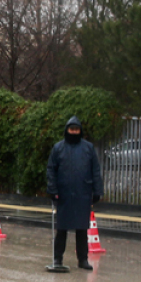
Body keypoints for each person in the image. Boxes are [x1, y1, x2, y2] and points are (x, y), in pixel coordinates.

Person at [45, 116, 102, 272]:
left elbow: (95, 170)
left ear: (80, 131)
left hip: (83, 193)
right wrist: (53, 189)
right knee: (62, 229)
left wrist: (97, 191)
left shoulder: (88, 148)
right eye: (72, 129)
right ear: (67, 130)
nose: (74, 132)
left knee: (82, 229)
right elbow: (51, 170)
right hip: (64, 194)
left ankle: (83, 259)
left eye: (77, 129)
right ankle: (57, 258)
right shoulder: (58, 148)